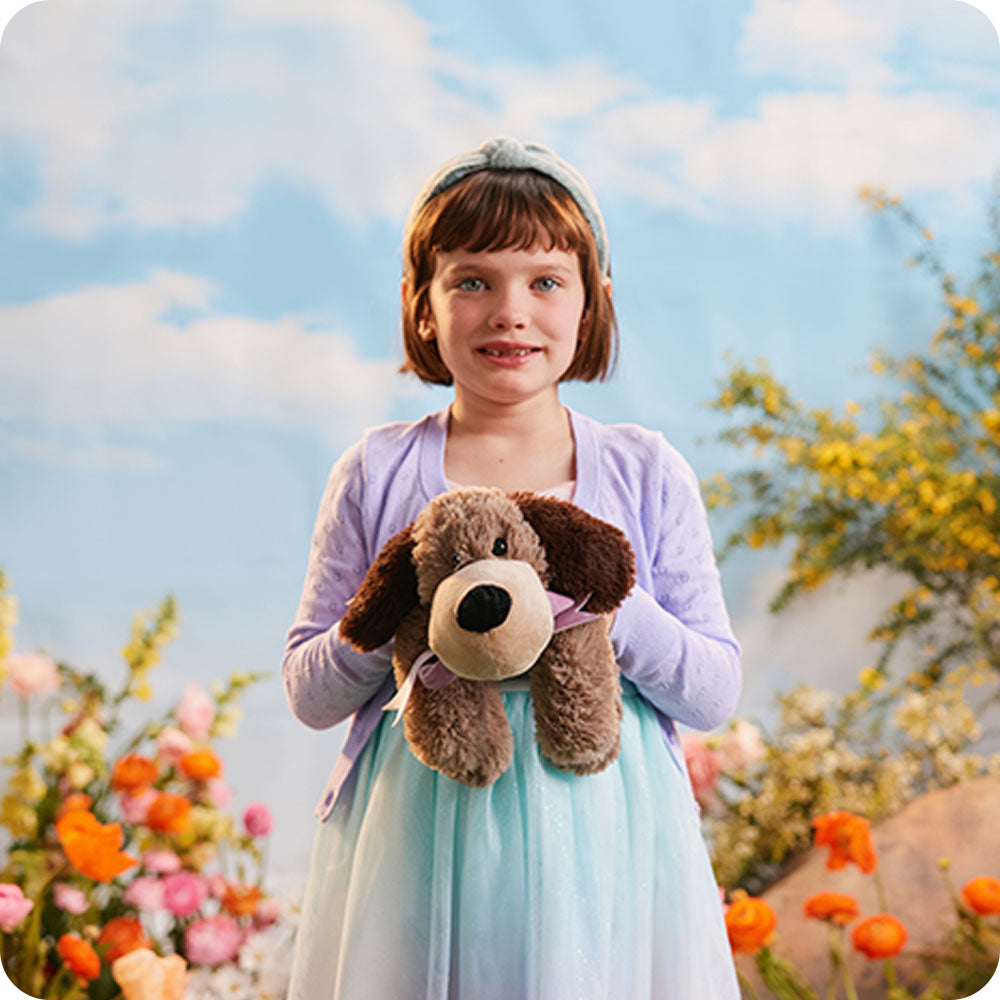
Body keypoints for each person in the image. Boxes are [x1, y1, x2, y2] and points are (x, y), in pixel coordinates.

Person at [282, 136, 742, 1000]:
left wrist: (610, 608)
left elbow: (714, 691)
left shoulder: (645, 472)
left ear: (592, 303)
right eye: (471, 281)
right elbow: (309, 692)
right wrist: (387, 612)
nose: (509, 311)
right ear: (422, 306)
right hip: (418, 832)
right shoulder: (376, 472)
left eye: (544, 281)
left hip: (607, 835)